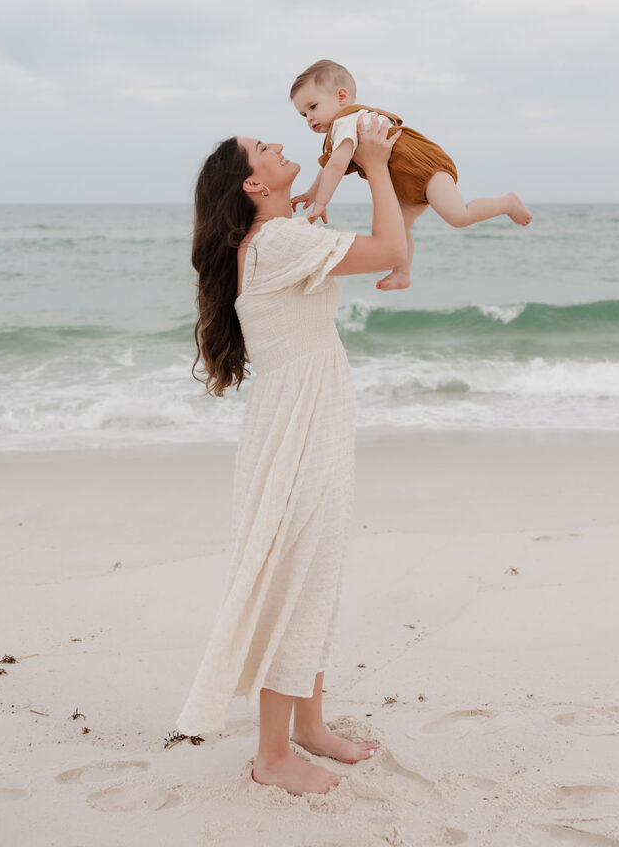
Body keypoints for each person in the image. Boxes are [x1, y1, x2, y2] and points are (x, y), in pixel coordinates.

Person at [176, 116, 406, 796]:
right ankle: (272, 756)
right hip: (298, 426)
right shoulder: (275, 240)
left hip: (304, 416)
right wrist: (378, 165)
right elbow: (394, 245)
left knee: (317, 565)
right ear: (254, 183)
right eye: (267, 150)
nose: (282, 147)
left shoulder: (273, 237)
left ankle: (309, 727)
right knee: (296, 573)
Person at [290, 59, 533, 291]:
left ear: (341, 96)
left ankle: (507, 203)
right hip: (405, 183)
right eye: (303, 114)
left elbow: (335, 167)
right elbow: (330, 164)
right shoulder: (341, 129)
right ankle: (402, 274)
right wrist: (312, 192)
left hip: (424, 168)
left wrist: (321, 202)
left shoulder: (346, 121)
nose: (309, 117)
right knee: (398, 228)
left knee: (459, 216)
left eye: (313, 107)